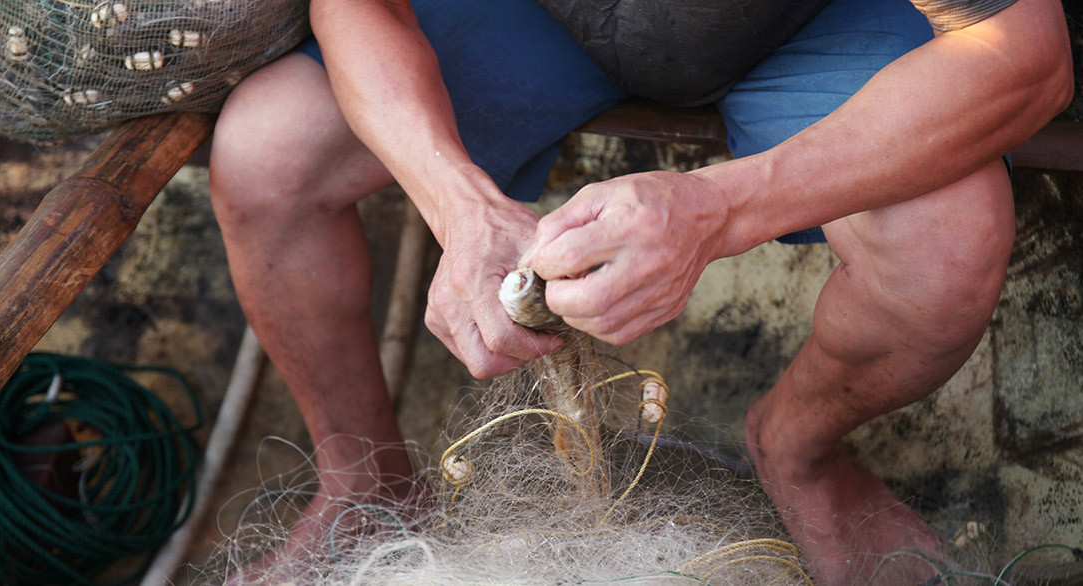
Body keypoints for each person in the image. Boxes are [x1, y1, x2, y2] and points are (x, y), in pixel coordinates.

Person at [207, 0, 1072, 582]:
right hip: (529, 15)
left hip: (814, 17)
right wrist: (458, 204)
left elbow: (1030, 56)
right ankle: (366, 482)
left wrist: (721, 207)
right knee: (266, 153)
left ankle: (800, 450)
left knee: (945, 249)